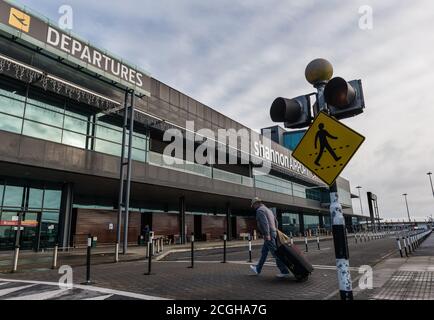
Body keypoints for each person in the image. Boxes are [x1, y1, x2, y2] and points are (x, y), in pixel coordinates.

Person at [249, 197, 290, 278]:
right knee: (264, 252)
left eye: (253, 205)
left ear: (256, 203)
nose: (253, 207)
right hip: (273, 232)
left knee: (275, 253)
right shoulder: (268, 210)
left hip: (269, 235)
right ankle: (258, 269)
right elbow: (276, 221)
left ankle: (284, 271)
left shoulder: (260, 210)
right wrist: (275, 230)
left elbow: (264, 224)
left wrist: (267, 234)